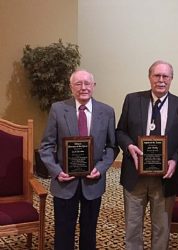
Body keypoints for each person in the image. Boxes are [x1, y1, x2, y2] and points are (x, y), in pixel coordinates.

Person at [116, 60, 178, 250]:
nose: (161, 80)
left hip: (165, 177)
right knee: (133, 227)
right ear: (149, 77)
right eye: (156, 75)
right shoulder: (132, 100)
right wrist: (129, 146)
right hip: (135, 174)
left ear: (171, 79)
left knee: (162, 228)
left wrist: (175, 160)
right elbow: (120, 132)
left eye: (165, 76)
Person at [39, 69, 118, 250]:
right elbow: (46, 146)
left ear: (94, 86)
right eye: (78, 83)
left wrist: (102, 167)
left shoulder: (107, 111)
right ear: (71, 87)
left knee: (89, 232)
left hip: (93, 182)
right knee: (64, 232)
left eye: (87, 83)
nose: (83, 88)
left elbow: (112, 146)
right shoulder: (58, 109)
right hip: (65, 182)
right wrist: (57, 172)